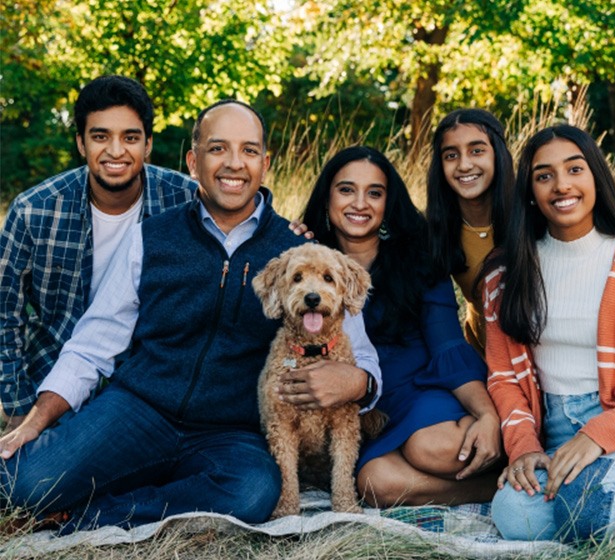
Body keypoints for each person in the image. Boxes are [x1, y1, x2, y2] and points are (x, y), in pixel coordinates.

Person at [0, 101, 381, 531]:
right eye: (218, 149)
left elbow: (360, 355)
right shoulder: (152, 236)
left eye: (249, 151)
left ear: (265, 163)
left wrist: (361, 383)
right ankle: (113, 487)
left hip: (231, 431)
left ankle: (90, 513)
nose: (235, 164)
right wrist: (35, 420)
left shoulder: (295, 252)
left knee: (253, 492)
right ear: (193, 161)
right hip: (139, 409)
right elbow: (93, 344)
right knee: (23, 482)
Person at [295, 146, 501, 508]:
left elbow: (447, 347)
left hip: (420, 392)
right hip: (356, 410)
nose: (360, 203)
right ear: (326, 197)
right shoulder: (308, 262)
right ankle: (490, 489)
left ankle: (503, 464)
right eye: (346, 190)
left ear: (388, 204)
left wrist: (487, 415)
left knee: (431, 448)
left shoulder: (418, 259)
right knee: (375, 485)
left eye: (374, 193)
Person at [0, 75, 197, 430]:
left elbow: (249, 222)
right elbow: (4, 316)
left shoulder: (186, 200)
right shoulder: (34, 211)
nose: (116, 151)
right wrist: (16, 408)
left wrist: (299, 233)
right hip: (53, 376)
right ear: (81, 142)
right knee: (38, 480)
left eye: (131, 138)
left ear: (149, 144)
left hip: (150, 385)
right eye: (100, 136)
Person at [483, 125, 615, 541]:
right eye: (544, 176)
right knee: (513, 514)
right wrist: (524, 448)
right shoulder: (506, 275)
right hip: (553, 431)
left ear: (595, 176)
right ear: (530, 191)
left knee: (588, 512)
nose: (562, 185)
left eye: (574, 169)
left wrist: (599, 435)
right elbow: (504, 378)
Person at [426, 109, 514, 357]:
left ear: (497, 154)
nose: (464, 165)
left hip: (541, 362)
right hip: (482, 358)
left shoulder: (530, 216)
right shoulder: (435, 229)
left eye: (477, 151)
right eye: (451, 155)